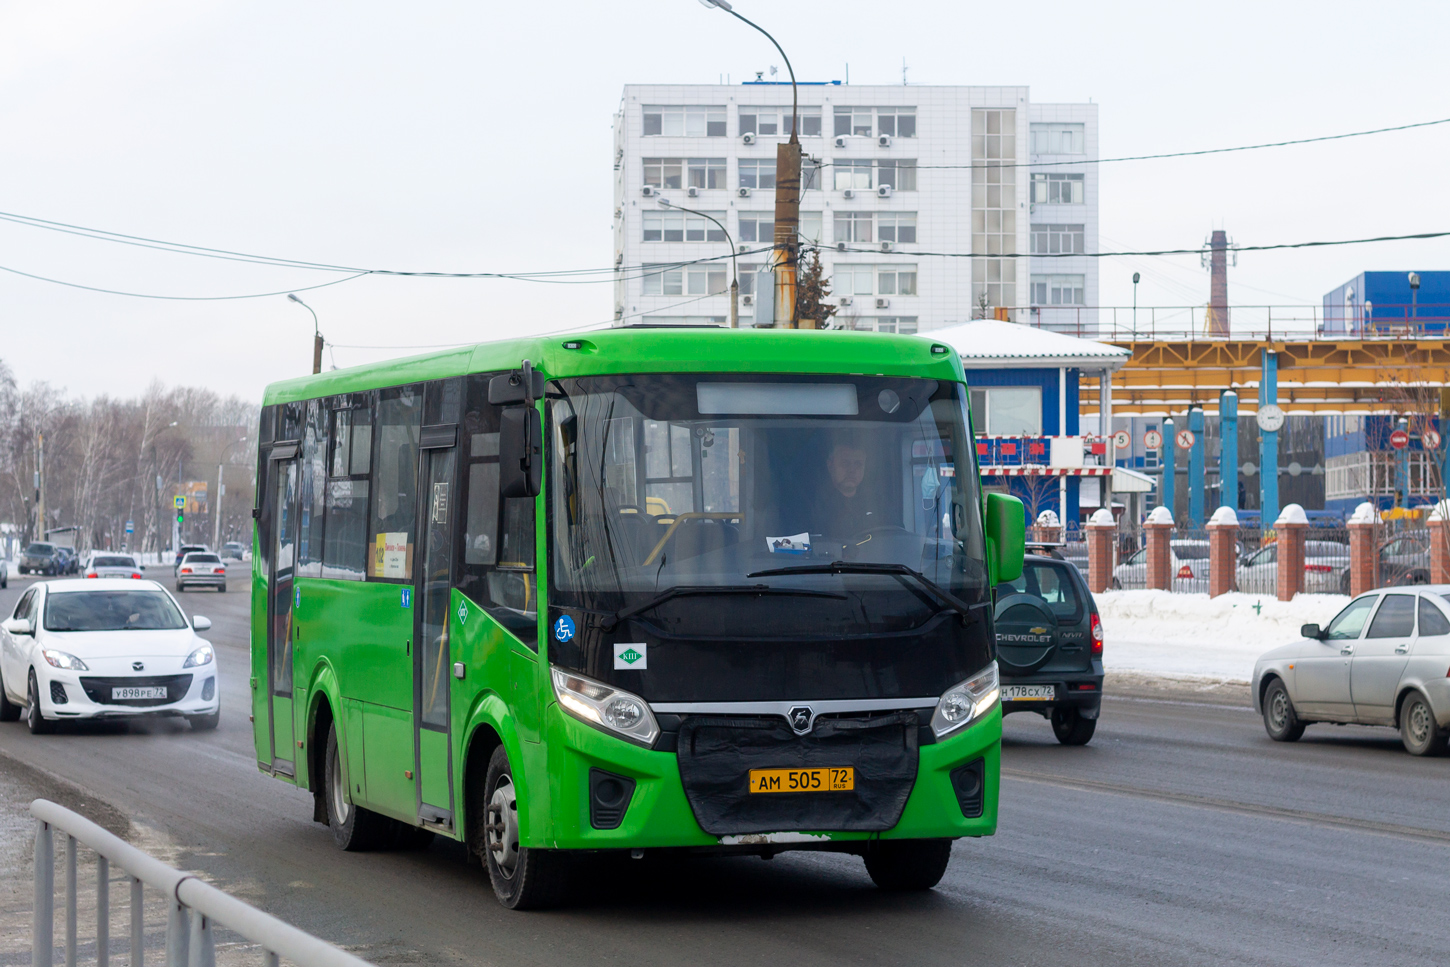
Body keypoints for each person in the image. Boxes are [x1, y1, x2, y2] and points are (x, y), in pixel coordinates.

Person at [812, 438, 878, 537]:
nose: (852, 470)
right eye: (845, 463)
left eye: (858, 464)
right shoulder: (814, 504)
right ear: (830, 466)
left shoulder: (877, 502)